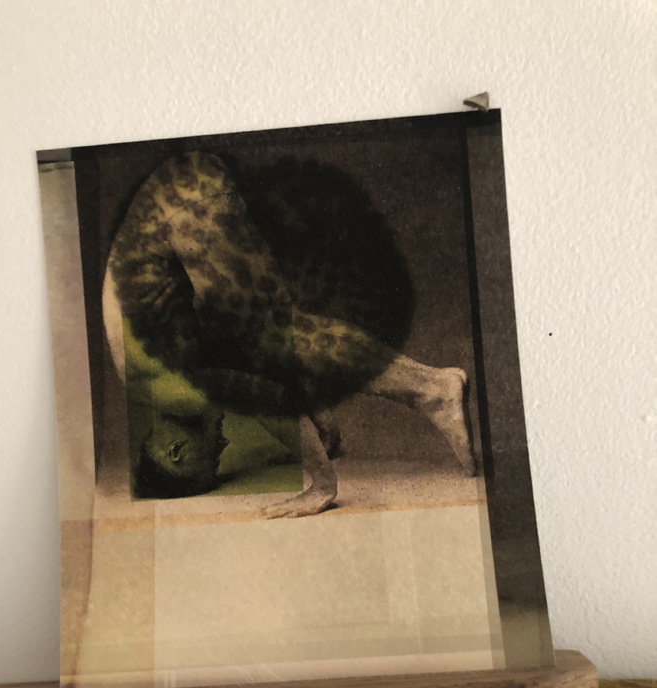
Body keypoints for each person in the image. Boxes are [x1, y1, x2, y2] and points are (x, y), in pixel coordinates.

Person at [102, 151, 475, 518]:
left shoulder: (172, 393)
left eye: (212, 459)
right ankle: (431, 387)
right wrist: (314, 408)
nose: (225, 443)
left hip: (182, 202)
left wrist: (322, 482)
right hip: (183, 190)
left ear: (176, 451)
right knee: (275, 332)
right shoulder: (151, 381)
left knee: (272, 335)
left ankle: (432, 389)